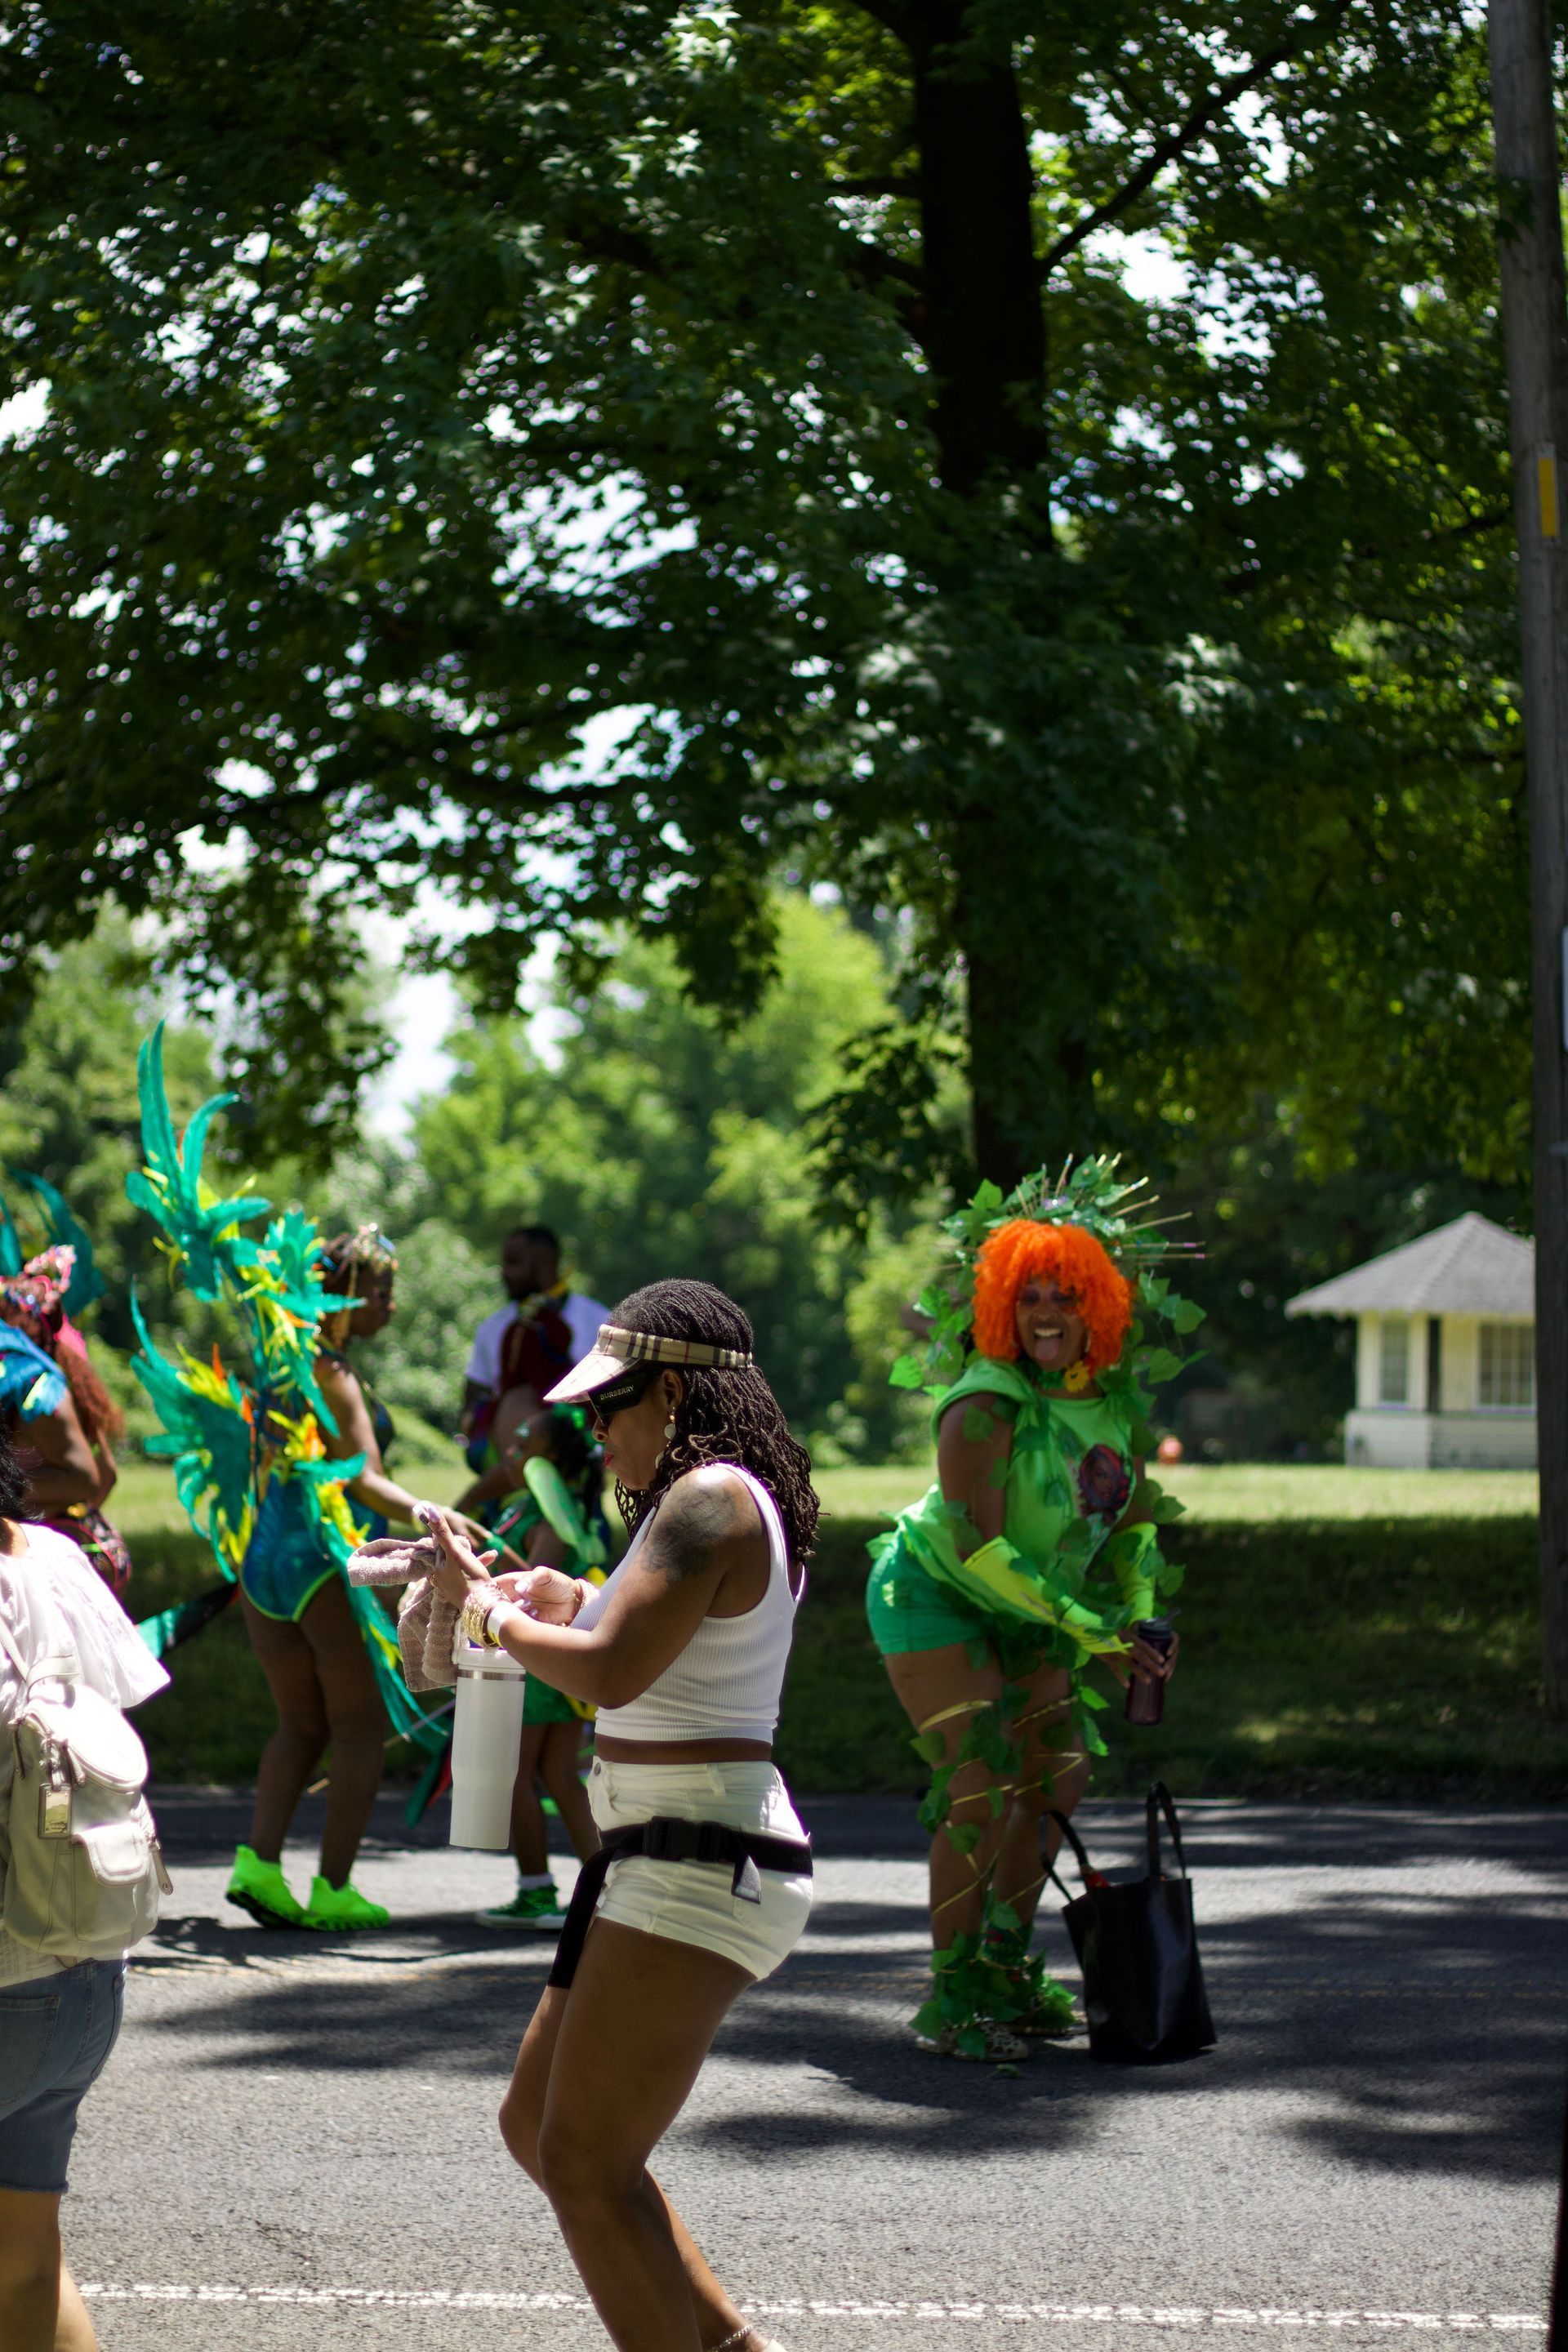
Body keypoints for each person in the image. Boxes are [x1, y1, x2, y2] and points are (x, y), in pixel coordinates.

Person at [422, 1280, 811, 2352]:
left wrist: (486, 1612)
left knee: (584, 2161)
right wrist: (563, 1598)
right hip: (664, 1854)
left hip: (700, 1854)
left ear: (674, 1393)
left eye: (609, 1405)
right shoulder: (703, 1499)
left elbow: (609, 1672)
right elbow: (642, 1639)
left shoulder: (709, 1497)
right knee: (537, 2126)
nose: (593, 1432)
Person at [866, 1160, 1196, 2062]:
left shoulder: (1116, 1409)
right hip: (934, 1596)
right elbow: (978, 1549)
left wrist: (1137, 1619)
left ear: (1100, 1305)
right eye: (1028, 1296)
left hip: (1037, 1612)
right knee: (976, 1784)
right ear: (1001, 1306)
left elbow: (1134, 1529)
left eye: (1066, 1295)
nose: (1045, 1313)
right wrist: (1094, 1632)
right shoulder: (985, 1402)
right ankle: (952, 1996)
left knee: (1057, 1778)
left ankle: (1005, 1968)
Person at [229, 1226, 493, 1933]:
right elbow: (363, 1477)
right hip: (322, 1559)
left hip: (264, 1561)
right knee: (360, 1727)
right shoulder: (333, 1371)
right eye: (381, 1291)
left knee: (299, 1724)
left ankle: (257, 1868)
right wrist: (433, 1516)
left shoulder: (282, 1366)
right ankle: (334, 1890)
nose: (391, 1305)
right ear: (344, 1294)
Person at [0, 1416, 168, 2352]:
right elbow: (123, 1710)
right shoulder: (57, 1560)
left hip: (5, 1979)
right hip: (85, 1973)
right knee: (26, 2263)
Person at [452, 1402, 610, 1927]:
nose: (511, 1452)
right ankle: (606, 1891)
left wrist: (484, 1552)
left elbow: (535, 1581)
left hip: (532, 1661)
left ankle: (538, 1890)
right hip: (543, 1657)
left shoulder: (552, 1513)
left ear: (554, 1460)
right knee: (558, 1774)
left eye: (526, 1445)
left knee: (516, 1774)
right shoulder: (534, 1503)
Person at [0, 1246, 134, 1597]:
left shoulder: (39, 1387)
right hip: (86, 1546)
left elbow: (88, 1478)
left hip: (76, 1561)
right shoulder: (54, 1378)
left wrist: (31, 1512)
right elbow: (107, 1475)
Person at [461, 1226, 607, 1463]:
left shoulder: (599, 1322)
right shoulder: (494, 1327)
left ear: (545, 1261)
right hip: (507, 1457)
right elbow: (475, 1395)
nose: (504, 1273)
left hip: (581, 1455)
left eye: (514, 1262)